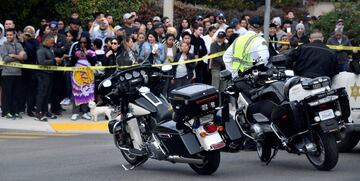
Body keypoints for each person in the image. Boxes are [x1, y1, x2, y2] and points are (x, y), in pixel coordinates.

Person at [0, 29, 27, 119]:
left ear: (14, 35)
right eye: (7, 35)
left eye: (10, 35)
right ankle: (6, 111)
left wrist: (14, 55)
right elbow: (5, 58)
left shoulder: (18, 44)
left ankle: (15, 111)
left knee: (16, 94)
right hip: (7, 73)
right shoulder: (4, 45)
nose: (8, 36)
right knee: (7, 94)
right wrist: (19, 56)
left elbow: (25, 57)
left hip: (18, 73)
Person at [36, 35, 62, 121]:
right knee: (41, 94)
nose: (52, 44)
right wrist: (54, 60)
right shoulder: (41, 50)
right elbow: (41, 62)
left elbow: (50, 60)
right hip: (43, 75)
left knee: (47, 95)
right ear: (46, 41)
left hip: (49, 74)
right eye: (51, 42)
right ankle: (38, 112)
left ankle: (45, 111)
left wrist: (56, 61)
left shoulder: (48, 49)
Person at [70, 34, 96, 121]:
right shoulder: (76, 50)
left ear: (87, 43)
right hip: (77, 75)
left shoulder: (91, 51)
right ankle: (75, 112)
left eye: (84, 43)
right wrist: (76, 56)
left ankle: (85, 112)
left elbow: (93, 63)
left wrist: (87, 55)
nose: (82, 44)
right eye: (81, 42)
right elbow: (71, 62)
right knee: (76, 92)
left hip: (88, 75)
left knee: (87, 92)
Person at [21, 26, 40, 117]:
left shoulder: (35, 42)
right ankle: (21, 107)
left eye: (30, 33)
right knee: (22, 90)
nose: (28, 35)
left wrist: (26, 41)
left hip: (32, 69)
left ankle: (30, 109)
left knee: (32, 91)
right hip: (22, 69)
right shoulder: (21, 42)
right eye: (26, 33)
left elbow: (32, 53)